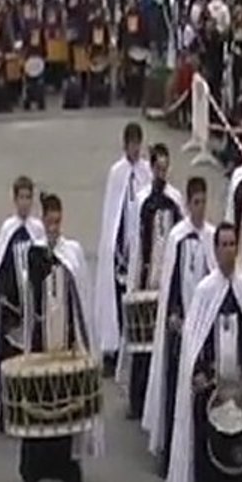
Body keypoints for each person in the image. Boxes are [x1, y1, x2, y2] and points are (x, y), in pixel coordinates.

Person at [167, 222, 242, 482]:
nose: (228, 251)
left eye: (232, 244)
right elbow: (194, 341)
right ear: (215, 250)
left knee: (240, 449)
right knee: (207, 451)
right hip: (211, 388)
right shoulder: (205, 292)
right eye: (223, 245)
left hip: (238, 389)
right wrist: (199, 373)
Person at [18, 193, 103, 482]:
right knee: (39, 409)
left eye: (57, 222)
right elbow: (33, 285)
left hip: (66, 340)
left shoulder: (72, 252)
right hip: (42, 342)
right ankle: (32, 474)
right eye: (49, 222)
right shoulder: (35, 252)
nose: (54, 228)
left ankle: (68, 471)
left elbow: (80, 296)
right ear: (43, 222)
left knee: (67, 409)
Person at [143, 176, 216, 478]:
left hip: (204, 328)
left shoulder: (211, 237)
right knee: (176, 390)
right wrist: (174, 313)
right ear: (187, 203)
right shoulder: (177, 237)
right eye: (195, 202)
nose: (200, 208)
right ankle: (171, 454)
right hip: (181, 328)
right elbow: (171, 281)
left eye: (204, 202)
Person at [120, 143, 184, 420]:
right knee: (142, 344)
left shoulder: (174, 199)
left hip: (166, 279)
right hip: (147, 279)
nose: (161, 173)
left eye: (165, 168)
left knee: (164, 344)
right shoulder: (143, 199)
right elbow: (136, 241)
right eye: (158, 168)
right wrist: (137, 279)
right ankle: (137, 400)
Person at [0, 176, 46, 430]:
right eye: (21, 198)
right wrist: (4, 297)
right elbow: (0, 267)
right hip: (12, 312)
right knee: (9, 361)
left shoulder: (38, 230)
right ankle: (7, 411)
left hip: (32, 311)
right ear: (14, 199)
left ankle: (30, 408)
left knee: (31, 361)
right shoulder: (8, 230)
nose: (25, 203)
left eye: (29, 198)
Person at [94, 122, 152, 373]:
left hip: (137, 245)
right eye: (131, 144)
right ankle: (113, 348)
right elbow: (112, 211)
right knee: (116, 298)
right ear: (125, 145)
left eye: (138, 144)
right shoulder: (117, 173)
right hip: (120, 247)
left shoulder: (146, 172)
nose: (135, 149)